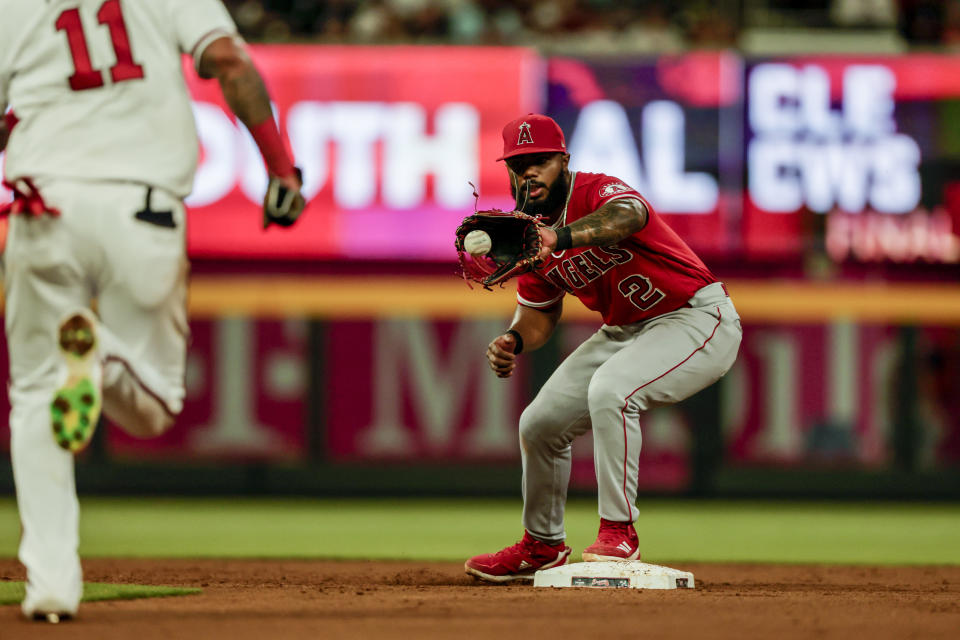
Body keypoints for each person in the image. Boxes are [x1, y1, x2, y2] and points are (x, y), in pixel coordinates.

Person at [0, 0, 304, 621]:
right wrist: (280, 168)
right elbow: (228, 59)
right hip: (143, 207)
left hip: (42, 201)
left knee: (35, 394)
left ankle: (52, 584)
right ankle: (105, 360)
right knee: (153, 408)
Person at [464, 114, 741, 582]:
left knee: (612, 389)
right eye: (519, 163)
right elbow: (539, 312)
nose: (529, 172)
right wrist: (513, 338)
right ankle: (542, 546)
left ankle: (619, 532)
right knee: (540, 424)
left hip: (694, 315)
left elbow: (630, 215)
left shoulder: (594, 191)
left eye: (541, 161)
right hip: (626, 329)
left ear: (564, 162)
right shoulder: (527, 236)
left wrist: (563, 237)